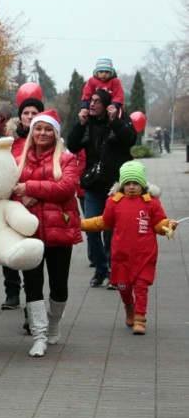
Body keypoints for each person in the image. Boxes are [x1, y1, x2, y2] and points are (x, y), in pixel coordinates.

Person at [12, 111, 83, 357]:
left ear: (55, 133)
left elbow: (66, 188)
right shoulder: (17, 157)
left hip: (59, 231)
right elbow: (7, 188)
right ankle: (39, 335)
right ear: (31, 131)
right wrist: (19, 194)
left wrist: (29, 187)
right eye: (38, 128)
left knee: (59, 286)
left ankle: (54, 322)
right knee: (32, 285)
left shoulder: (67, 159)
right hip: (28, 233)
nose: (42, 133)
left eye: (47, 129)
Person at [81, 161, 179, 335]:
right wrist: (81, 224)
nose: (132, 187)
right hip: (121, 256)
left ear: (142, 184)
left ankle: (140, 319)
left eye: (136, 183)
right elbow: (104, 222)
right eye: (128, 183)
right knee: (123, 286)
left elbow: (159, 225)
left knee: (141, 286)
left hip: (145, 255)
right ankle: (129, 308)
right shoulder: (114, 202)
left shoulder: (151, 203)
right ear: (122, 184)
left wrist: (168, 225)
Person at [66, 89, 136, 288]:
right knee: (91, 228)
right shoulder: (88, 123)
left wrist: (114, 120)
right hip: (94, 185)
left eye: (97, 101)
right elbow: (72, 144)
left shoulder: (120, 119)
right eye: (90, 100)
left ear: (106, 105)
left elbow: (130, 139)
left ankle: (115, 271)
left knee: (114, 230)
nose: (92, 104)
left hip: (116, 187)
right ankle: (100, 269)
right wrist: (80, 123)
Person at [0, 95, 45, 311]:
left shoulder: (46, 139)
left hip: (35, 203)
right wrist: (19, 195)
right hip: (12, 200)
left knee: (29, 254)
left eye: (33, 113)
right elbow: (3, 172)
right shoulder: (9, 141)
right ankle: (11, 292)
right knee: (8, 247)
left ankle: (32, 302)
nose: (29, 116)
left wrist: (33, 191)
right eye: (26, 113)